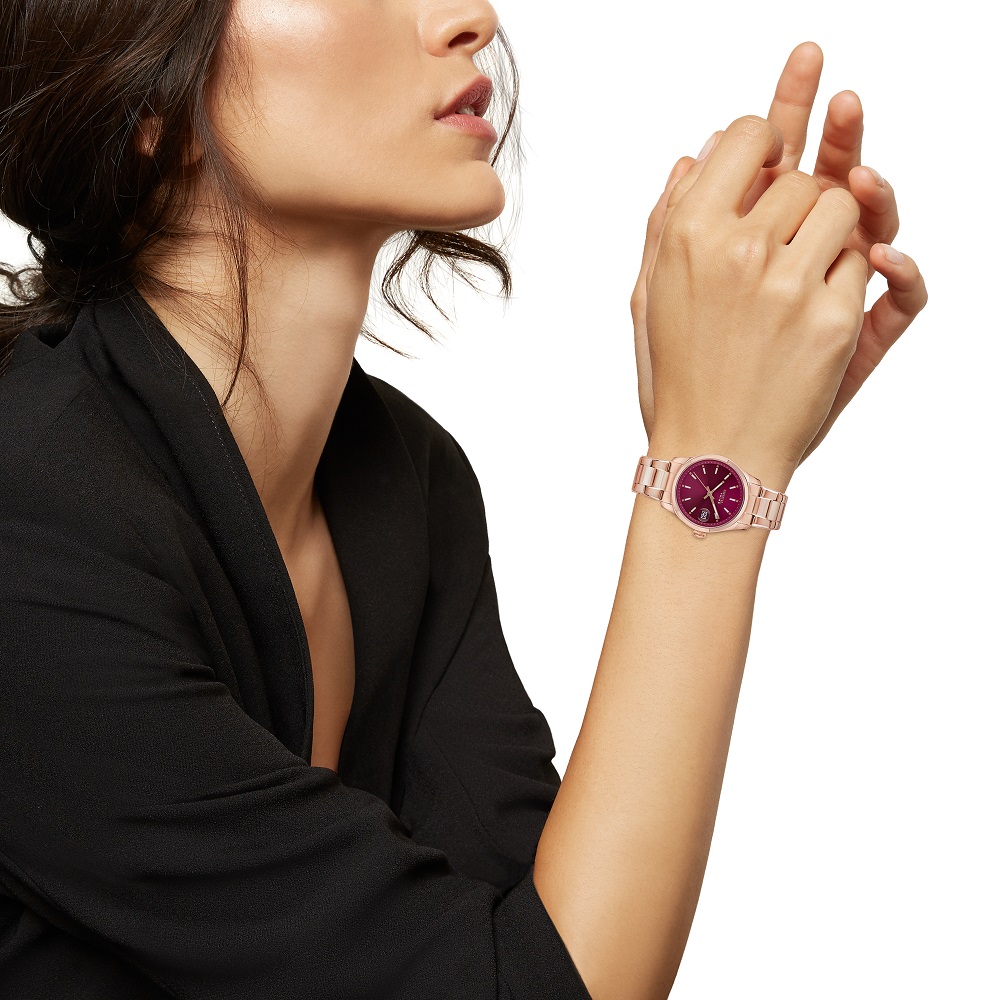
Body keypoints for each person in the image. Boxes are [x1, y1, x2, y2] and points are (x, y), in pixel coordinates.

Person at [0, 0, 926, 993]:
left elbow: (554, 927)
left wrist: (728, 418)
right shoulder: (28, 525)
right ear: (147, 99)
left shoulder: (405, 478)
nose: (469, 18)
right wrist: (714, 463)